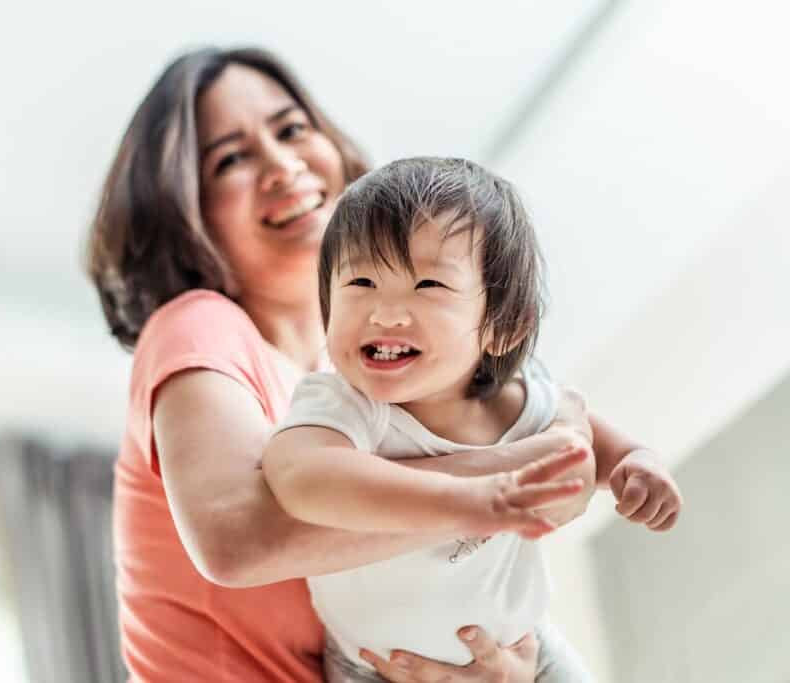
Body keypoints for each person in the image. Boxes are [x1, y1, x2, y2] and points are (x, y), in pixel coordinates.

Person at [86, 47, 680, 683]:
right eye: (230, 159)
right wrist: (522, 475)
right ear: (181, 210)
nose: (283, 166)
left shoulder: (368, 380)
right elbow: (238, 541)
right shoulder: (199, 324)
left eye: (292, 129)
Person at [261, 156, 680, 682]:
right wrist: (469, 501)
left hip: (526, 649)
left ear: (503, 328)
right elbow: (301, 476)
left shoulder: (525, 400)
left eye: (429, 286)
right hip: (379, 670)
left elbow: (585, 442)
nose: (385, 312)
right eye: (361, 281)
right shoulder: (346, 405)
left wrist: (636, 463)